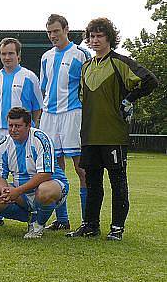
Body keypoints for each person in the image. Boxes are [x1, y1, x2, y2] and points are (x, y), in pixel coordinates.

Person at [67, 18, 158, 241]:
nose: (95, 40)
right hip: (89, 134)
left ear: (109, 37)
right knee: (92, 182)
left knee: (117, 181)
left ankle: (117, 228)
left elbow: (150, 80)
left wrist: (129, 99)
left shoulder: (120, 62)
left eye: (100, 36)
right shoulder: (86, 67)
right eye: (91, 36)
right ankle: (90, 225)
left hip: (113, 134)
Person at [39, 14, 92, 230]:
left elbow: (89, 87)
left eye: (56, 31)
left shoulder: (81, 54)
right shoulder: (46, 57)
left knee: (81, 168)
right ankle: (62, 219)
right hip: (49, 116)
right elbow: (45, 86)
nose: (53, 36)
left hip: (72, 113)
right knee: (53, 169)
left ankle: (87, 220)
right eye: (49, 32)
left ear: (66, 30)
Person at [0, 37, 43, 226]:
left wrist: (33, 129)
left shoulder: (29, 77)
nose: (7, 57)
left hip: (23, 134)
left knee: (31, 172)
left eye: (11, 53)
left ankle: (43, 212)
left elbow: (37, 107)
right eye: (3, 53)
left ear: (18, 55)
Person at [0, 107, 69, 239]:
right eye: (11, 126)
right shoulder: (3, 143)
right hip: (22, 194)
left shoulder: (40, 139)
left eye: (18, 126)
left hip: (52, 187)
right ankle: (32, 217)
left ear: (28, 125)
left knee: (45, 190)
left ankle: (39, 224)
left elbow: (45, 175)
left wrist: (17, 191)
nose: (13, 130)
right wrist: (5, 191)